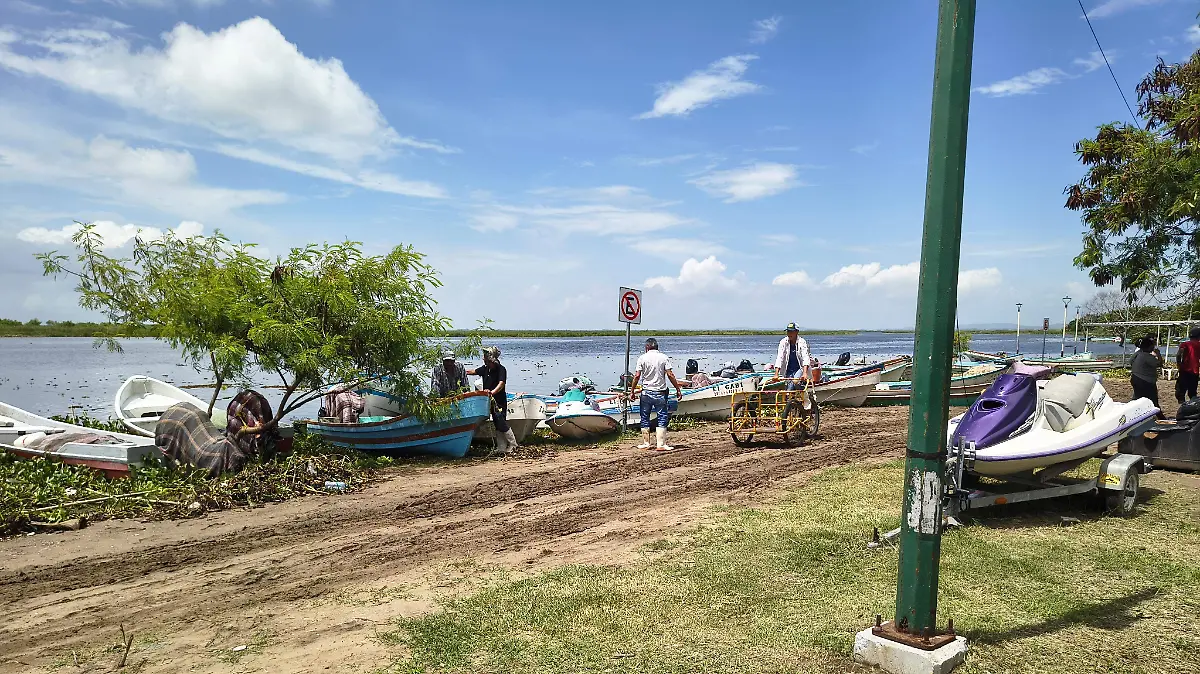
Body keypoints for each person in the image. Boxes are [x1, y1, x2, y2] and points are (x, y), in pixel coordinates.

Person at [629, 337, 684, 451]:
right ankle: (661, 444)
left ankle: (646, 443)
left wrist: (632, 391)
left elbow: (637, 376)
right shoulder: (663, 358)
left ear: (646, 347)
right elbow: (670, 375)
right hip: (660, 392)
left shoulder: (642, 358)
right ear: (657, 347)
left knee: (645, 416)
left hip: (646, 393)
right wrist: (677, 389)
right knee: (662, 416)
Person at [468, 346, 517, 456]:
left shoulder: (501, 369)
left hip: (499, 400)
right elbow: (474, 371)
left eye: (487, 360)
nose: (485, 361)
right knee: (496, 422)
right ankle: (501, 447)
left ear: (492, 360)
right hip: (489, 400)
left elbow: (501, 384)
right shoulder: (485, 369)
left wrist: (492, 392)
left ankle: (513, 444)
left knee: (501, 421)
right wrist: (462, 371)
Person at [1130, 335, 1166, 420]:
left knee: (1137, 398)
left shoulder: (1137, 354)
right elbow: (1159, 364)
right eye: (1152, 346)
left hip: (1135, 378)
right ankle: (1161, 418)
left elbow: (1130, 361)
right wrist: (1158, 354)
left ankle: (1134, 416)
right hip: (1145, 381)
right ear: (1149, 347)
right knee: (1153, 400)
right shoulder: (1147, 356)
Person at [771, 323, 812, 387]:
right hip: (788, 369)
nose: (789, 334)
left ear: (797, 332)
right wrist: (776, 374)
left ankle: (802, 393)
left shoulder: (802, 342)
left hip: (800, 368)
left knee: (795, 381)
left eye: (791, 332)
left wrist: (804, 373)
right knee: (788, 387)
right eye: (788, 332)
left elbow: (805, 358)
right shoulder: (783, 342)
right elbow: (780, 357)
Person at [1175, 327, 1200, 405]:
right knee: (1192, 391)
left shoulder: (1184, 344)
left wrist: (1179, 365)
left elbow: (1179, 355)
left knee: (1181, 390)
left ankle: (1182, 405)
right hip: (1195, 370)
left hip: (1184, 370)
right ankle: (1193, 405)